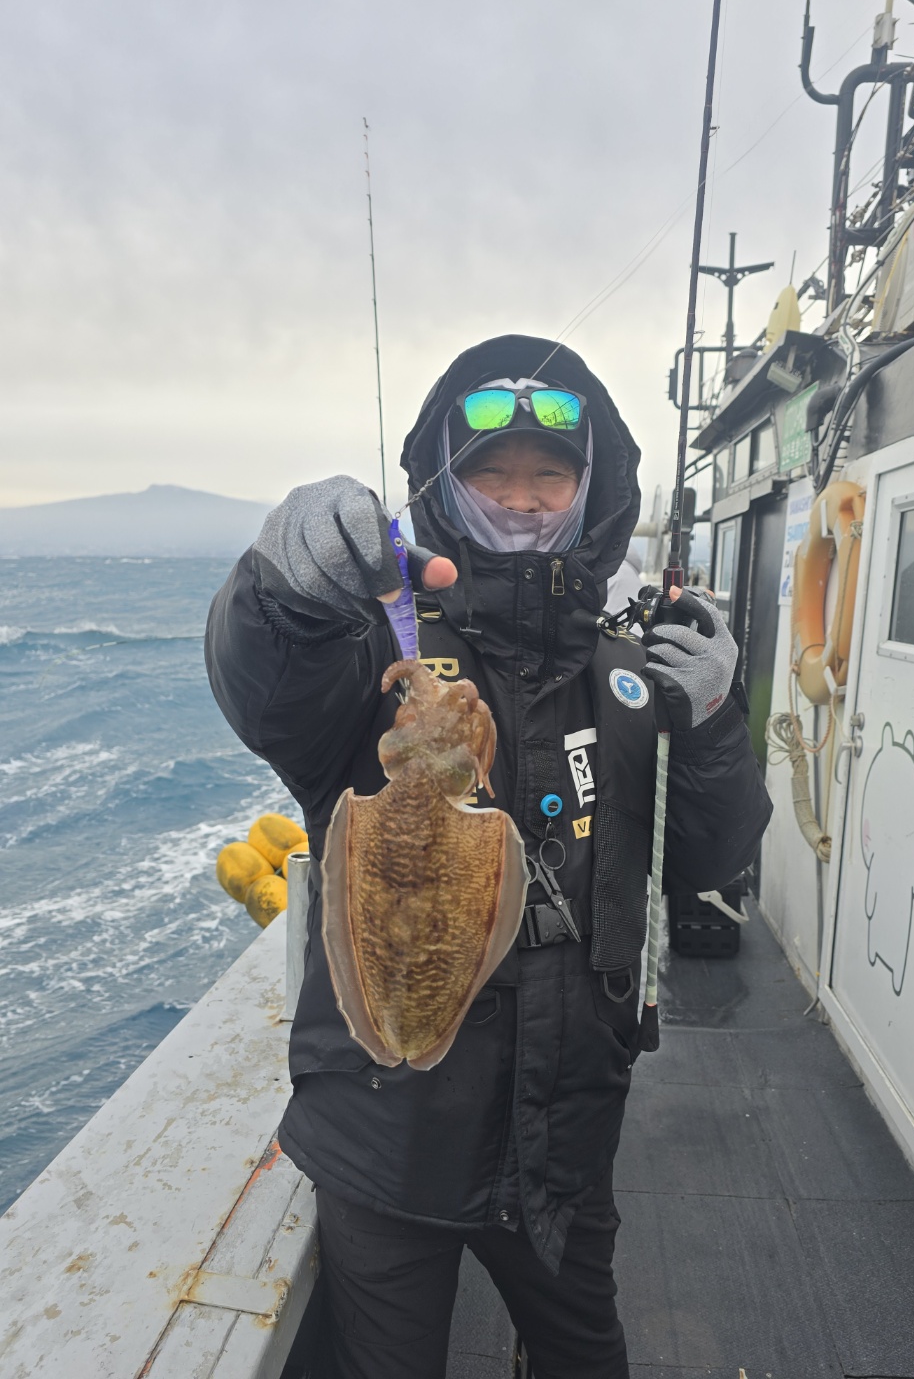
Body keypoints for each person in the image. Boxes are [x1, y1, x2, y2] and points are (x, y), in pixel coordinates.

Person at [205, 334, 772, 1379]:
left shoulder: (627, 674)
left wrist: (711, 723)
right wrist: (280, 595)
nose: (520, 497)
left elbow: (711, 854)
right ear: (443, 488)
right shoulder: (373, 648)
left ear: (591, 491)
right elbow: (270, 692)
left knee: (586, 1355)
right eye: (490, 474)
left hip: (566, 1135)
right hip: (386, 1136)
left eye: (548, 473)